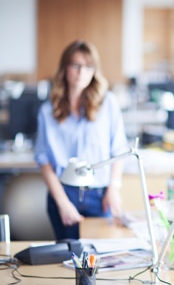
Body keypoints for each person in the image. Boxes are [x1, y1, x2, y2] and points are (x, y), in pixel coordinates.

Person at [34, 40, 128, 240]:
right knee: (67, 260)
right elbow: (43, 160)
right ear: (65, 68)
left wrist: (114, 188)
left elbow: (119, 149)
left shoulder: (108, 103)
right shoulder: (47, 111)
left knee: (101, 261)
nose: (81, 72)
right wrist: (62, 202)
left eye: (88, 66)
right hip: (64, 194)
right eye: (76, 65)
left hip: (100, 195)